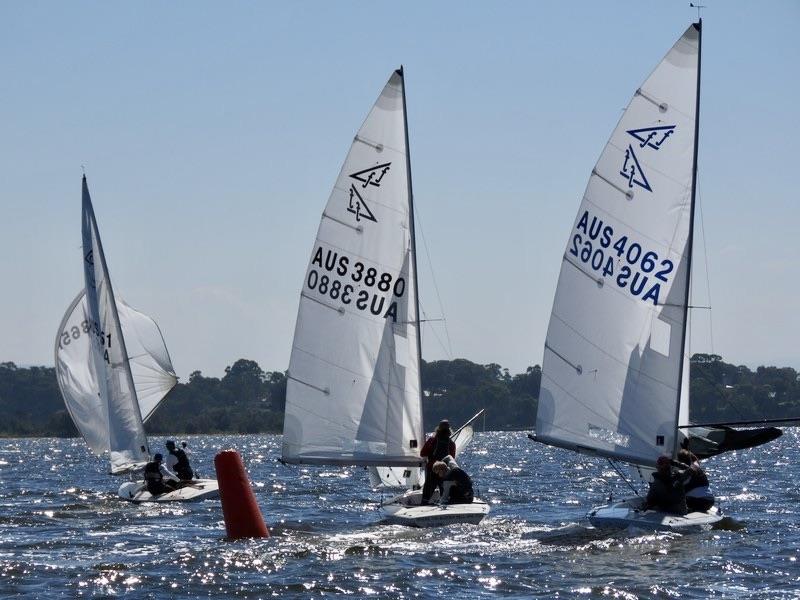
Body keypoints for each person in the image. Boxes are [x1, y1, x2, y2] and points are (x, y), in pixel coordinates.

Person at [420, 420, 456, 504]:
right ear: (449, 430)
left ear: (438, 429)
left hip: (432, 470)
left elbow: (422, 453)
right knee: (445, 495)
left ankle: (423, 505)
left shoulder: (432, 440)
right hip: (445, 471)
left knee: (426, 495)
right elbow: (452, 458)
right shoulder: (451, 443)